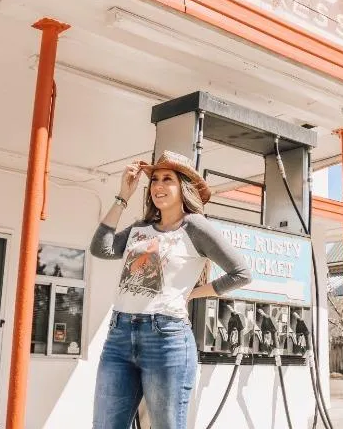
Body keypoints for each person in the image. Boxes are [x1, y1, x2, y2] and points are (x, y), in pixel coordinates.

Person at [90, 150, 252, 429]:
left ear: (184, 187)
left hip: (165, 339)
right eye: (154, 180)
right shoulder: (141, 227)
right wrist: (122, 197)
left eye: (168, 179)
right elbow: (101, 248)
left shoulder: (195, 227)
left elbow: (241, 274)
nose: (158, 186)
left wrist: (192, 293)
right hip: (119, 335)